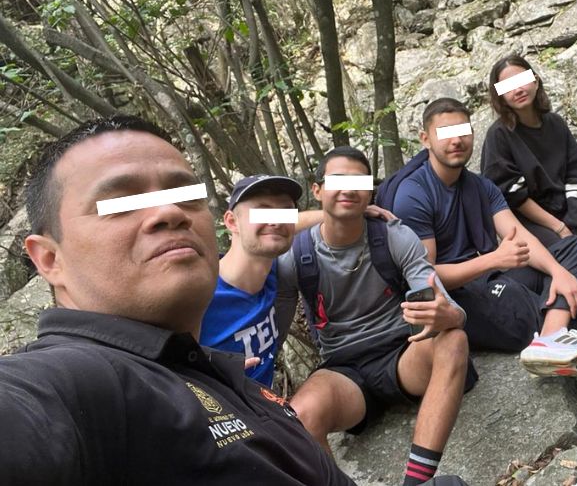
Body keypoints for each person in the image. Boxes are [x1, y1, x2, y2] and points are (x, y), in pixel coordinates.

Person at [1, 116, 354, 485]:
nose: (170, 211)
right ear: (49, 259)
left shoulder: (262, 294)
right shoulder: (73, 384)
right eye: (120, 202)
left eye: (185, 196)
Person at [386, 97, 577, 408]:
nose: (457, 140)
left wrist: (560, 274)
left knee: (574, 248)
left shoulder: (479, 186)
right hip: (460, 298)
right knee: (576, 310)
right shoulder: (414, 194)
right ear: (425, 139)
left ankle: (553, 333)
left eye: (463, 131)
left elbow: (521, 237)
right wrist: (495, 259)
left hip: (495, 276)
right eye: (446, 133)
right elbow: (426, 277)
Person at [276, 146, 475, 486]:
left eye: (359, 182)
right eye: (337, 180)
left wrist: (448, 317)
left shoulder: (394, 236)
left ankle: (416, 483)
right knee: (300, 417)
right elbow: (275, 331)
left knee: (454, 340)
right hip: (344, 371)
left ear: (371, 192)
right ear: (317, 189)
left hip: (402, 356)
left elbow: (447, 305)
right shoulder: (295, 255)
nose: (349, 189)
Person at [199, 175, 393, 387]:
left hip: (264, 407)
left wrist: (347, 213)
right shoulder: (201, 296)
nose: (275, 221)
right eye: (261, 212)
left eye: (284, 212)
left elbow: (289, 224)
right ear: (231, 222)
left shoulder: (274, 272)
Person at [482, 54, 577, 248]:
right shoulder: (498, 135)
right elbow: (511, 193)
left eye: (522, 81)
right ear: (500, 95)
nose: (518, 90)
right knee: (576, 254)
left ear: (535, 81)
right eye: (508, 86)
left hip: (570, 208)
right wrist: (558, 227)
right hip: (530, 221)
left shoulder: (555, 123)